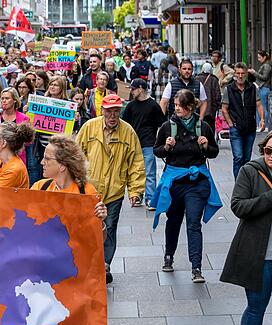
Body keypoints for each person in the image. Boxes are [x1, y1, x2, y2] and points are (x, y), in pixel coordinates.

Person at [27, 134, 107, 325]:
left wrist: (99, 218)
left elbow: (95, 240)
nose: (41, 161)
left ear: (62, 165)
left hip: (72, 280)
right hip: (39, 279)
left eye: (47, 158)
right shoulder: (39, 188)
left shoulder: (85, 191)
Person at [153, 89, 221, 283]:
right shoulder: (168, 127)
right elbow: (156, 151)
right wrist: (166, 147)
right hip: (175, 182)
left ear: (190, 107)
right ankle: (169, 255)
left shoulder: (203, 127)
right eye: (175, 106)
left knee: (193, 223)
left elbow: (214, 153)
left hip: (196, 183)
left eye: (180, 106)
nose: (176, 109)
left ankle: (196, 267)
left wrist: (207, 146)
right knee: (173, 220)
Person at [77, 94, 145, 283]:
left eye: (116, 111)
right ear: (102, 111)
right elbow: (76, 155)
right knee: (87, 228)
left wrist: (135, 191)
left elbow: (136, 163)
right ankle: (89, 262)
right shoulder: (89, 127)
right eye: (109, 111)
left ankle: (104, 265)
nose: (113, 115)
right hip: (89, 190)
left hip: (114, 191)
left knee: (110, 227)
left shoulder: (128, 132)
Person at [220, 133, 272, 325]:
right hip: (261, 256)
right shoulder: (251, 171)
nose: (271, 156)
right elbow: (238, 206)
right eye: (268, 151)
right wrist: (269, 198)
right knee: (256, 307)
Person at [122, 78, 167, 210]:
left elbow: (162, 124)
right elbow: (124, 124)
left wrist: (161, 141)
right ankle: (137, 195)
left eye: (133, 89)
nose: (131, 91)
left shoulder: (153, 105)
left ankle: (150, 199)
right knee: (135, 171)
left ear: (141, 89)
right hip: (133, 143)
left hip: (148, 142)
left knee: (149, 172)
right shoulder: (130, 106)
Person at [221, 62, 265, 178]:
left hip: (250, 128)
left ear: (246, 74)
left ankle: (245, 183)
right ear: (234, 74)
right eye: (238, 73)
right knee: (238, 157)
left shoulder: (252, 88)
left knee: (246, 158)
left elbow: (259, 104)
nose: (240, 76)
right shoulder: (229, 89)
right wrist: (231, 124)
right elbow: (224, 108)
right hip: (236, 128)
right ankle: (238, 184)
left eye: (243, 73)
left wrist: (262, 119)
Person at [249, 50, 272, 133]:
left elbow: (264, 77)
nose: (258, 59)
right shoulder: (266, 65)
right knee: (261, 106)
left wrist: (254, 73)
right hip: (263, 87)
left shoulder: (266, 66)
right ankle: (261, 125)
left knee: (263, 107)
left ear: (264, 57)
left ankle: (263, 125)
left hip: (264, 87)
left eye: (259, 57)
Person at [196, 62, 222, 129]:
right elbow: (218, 95)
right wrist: (218, 106)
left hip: (199, 109)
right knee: (210, 128)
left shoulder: (196, 78)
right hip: (211, 110)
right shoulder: (214, 79)